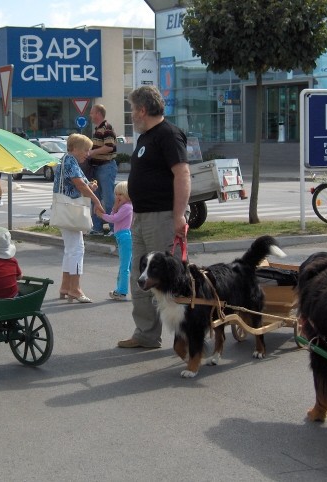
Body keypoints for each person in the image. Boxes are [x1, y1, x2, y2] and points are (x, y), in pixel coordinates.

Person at [117, 85, 190, 349]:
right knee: (140, 279)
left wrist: (179, 215)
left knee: (172, 281)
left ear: (143, 109)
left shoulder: (168, 135)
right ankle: (146, 335)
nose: (131, 115)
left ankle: (184, 337)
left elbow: (182, 174)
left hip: (162, 217)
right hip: (142, 218)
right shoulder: (145, 138)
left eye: (132, 109)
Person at [54, 133, 103, 303]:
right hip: (71, 210)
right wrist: (96, 201)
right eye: (85, 150)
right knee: (77, 249)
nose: (87, 153)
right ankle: (74, 289)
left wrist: (89, 187)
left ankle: (66, 286)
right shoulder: (70, 160)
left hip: (66, 208)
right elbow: (79, 184)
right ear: (74, 148)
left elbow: (77, 184)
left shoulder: (67, 160)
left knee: (71, 249)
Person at [95, 181, 133, 301]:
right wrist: (115, 206)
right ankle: (131, 289)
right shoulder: (122, 207)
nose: (117, 197)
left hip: (125, 237)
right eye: (116, 194)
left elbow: (114, 219)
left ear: (127, 195)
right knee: (129, 265)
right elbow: (114, 214)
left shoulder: (127, 207)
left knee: (124, 266)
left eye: (120, 194)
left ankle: (121, 291)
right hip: (122, 237)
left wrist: (101, 215)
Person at [87, 104, 118, 235]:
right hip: (98, 167)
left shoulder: (107, 127)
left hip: (106, 166)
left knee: (108, 198)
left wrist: (91, 153)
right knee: (96, 198)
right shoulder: (97, 129)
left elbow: (109, 146)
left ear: (98, 113)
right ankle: (97, 228)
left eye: (92, 113)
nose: (90, 115)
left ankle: (114, 228)